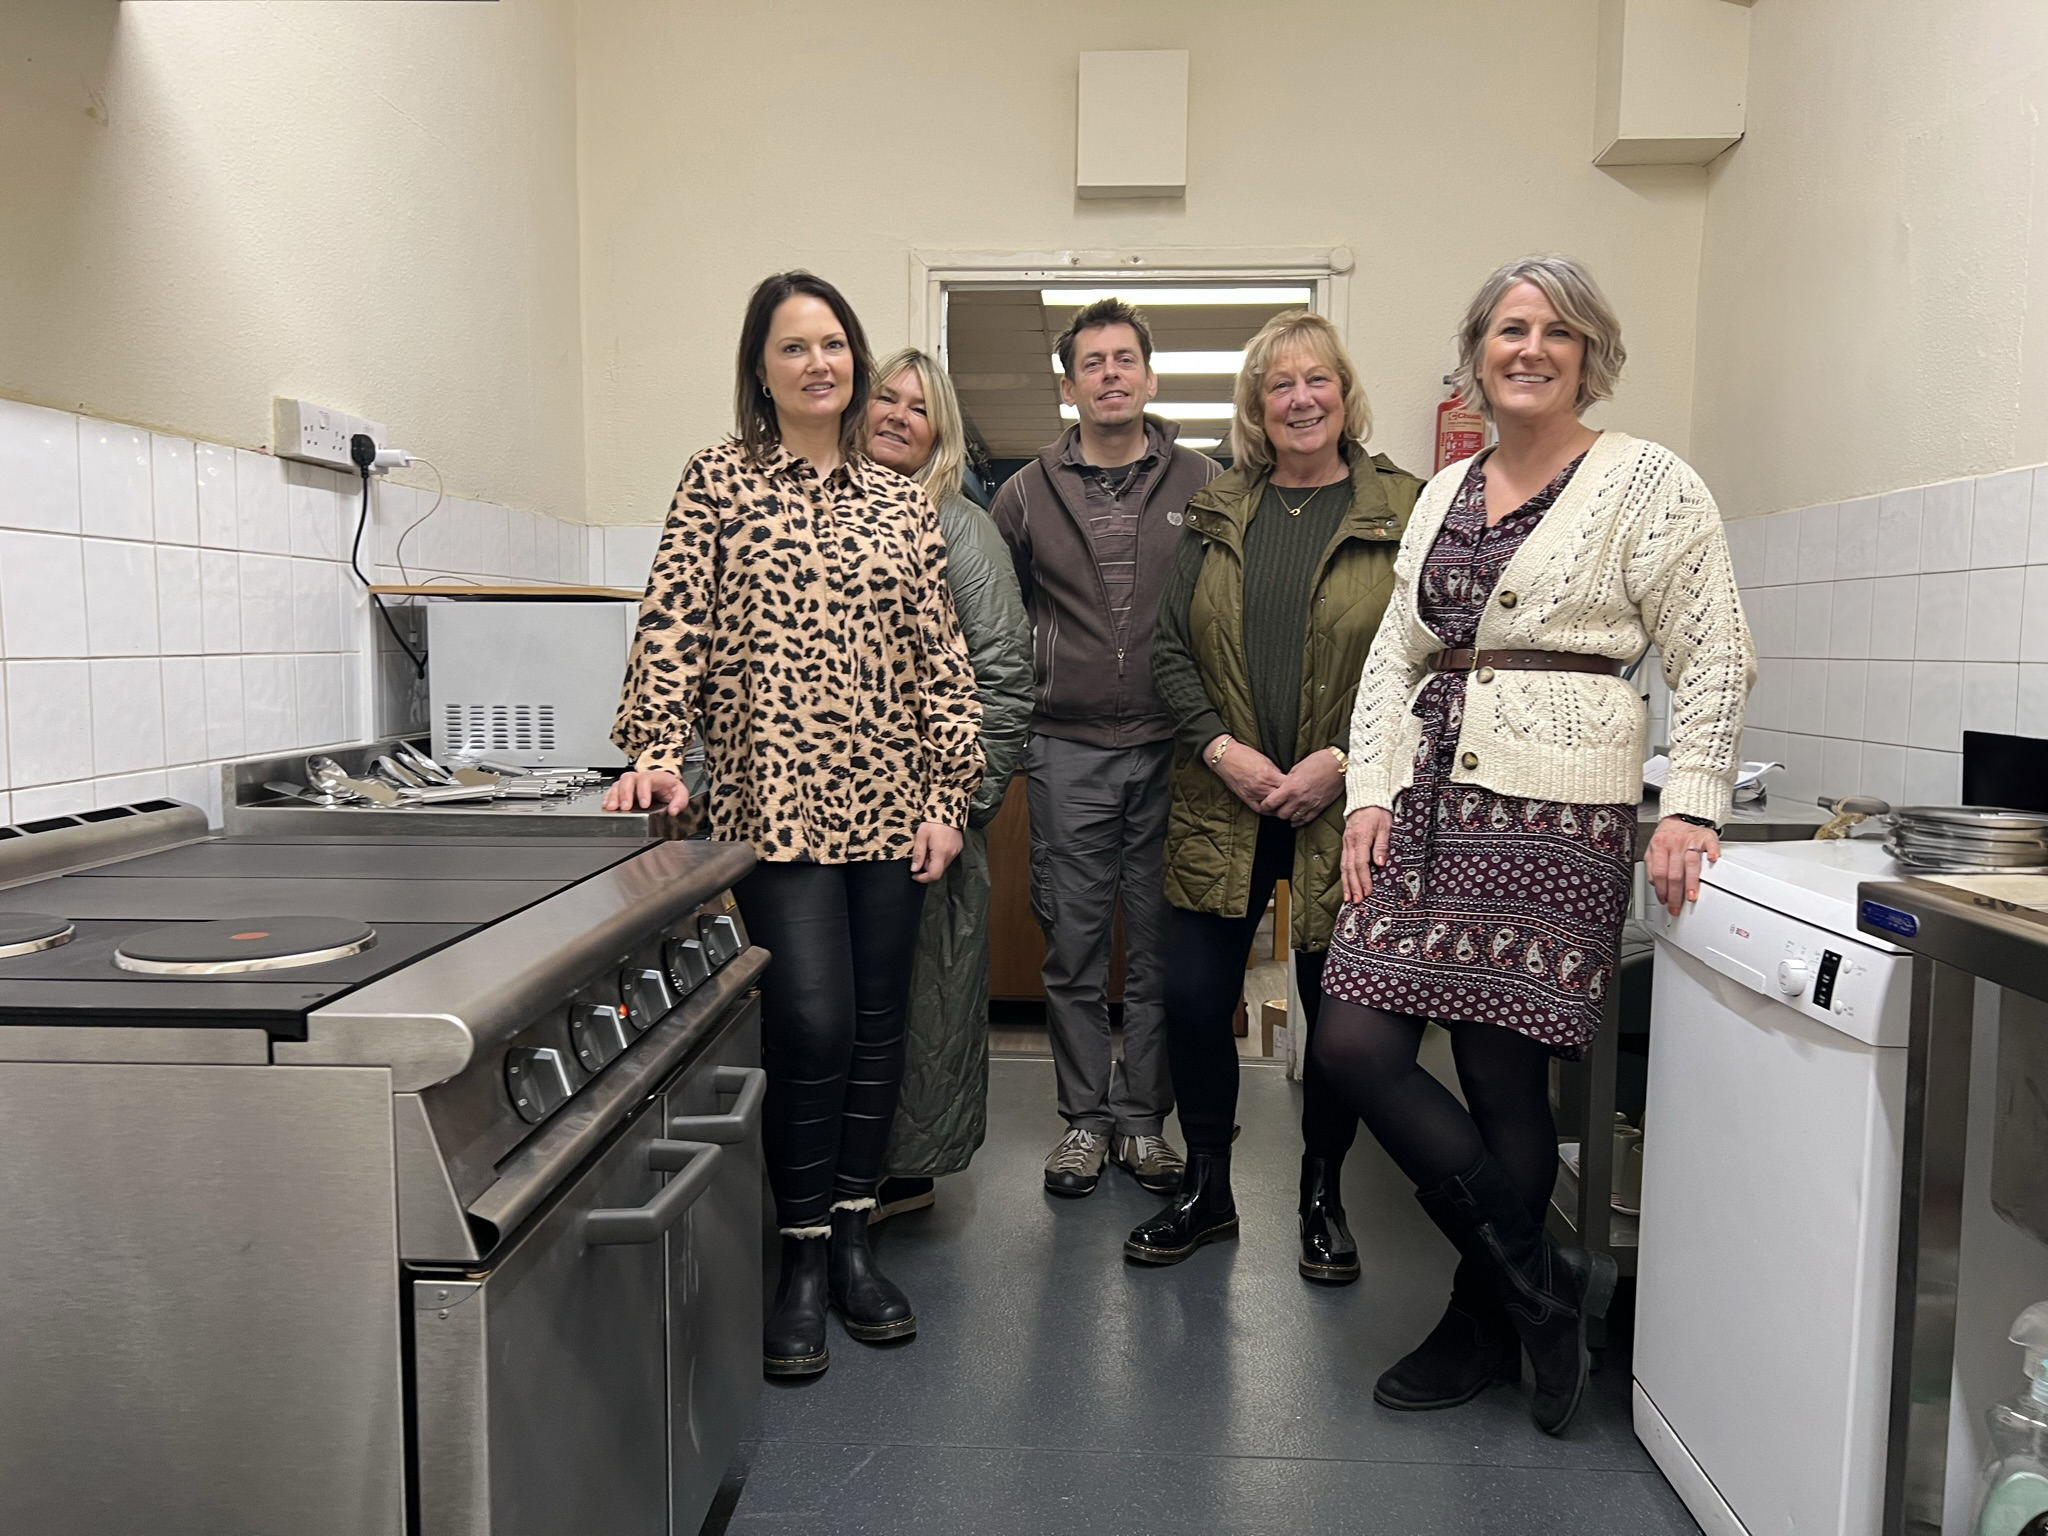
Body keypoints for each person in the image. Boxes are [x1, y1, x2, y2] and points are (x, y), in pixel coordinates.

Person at [1313, 254, 1753, 1435]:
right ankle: (1537, 1288)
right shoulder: (1442, 490)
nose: (1530, 348)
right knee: (1351, 1040)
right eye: (1509, 328)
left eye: (1556, 332)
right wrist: (1365, 793)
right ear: (1477, 350)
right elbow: (1393, 658)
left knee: (1505, 1074)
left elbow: (1711, 650)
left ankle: (1478, 1317)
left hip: (1560, 805)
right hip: (1422, 804)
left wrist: (1694, 801)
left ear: (1587, 354)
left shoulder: (1646, 482)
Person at [606, 271, 983, 1380]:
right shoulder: (717, 481)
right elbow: (670, 617)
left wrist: (946, 797)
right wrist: (654, 749)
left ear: (854, 365)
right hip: (772, 804)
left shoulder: (898, 501)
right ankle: (800, 1252)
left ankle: (854, 1242)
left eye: (833, 345)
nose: (818, 363)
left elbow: (941, 660)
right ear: (760, 368)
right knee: (811, 1026)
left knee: (876, 1030)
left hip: (888, 802)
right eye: (793, 347)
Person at [1126, 312, 1423, 1279]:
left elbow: (1429, 663)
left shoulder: (1405, 508)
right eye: (1278, 385)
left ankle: (1322, 1195)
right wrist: (1223, 750)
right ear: (1256, 407)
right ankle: (1207, 1190)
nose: (1300, 399)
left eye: (1317, 381)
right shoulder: (1220, 514)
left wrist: (1338, 759)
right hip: (1224, 799)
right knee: (1196, 996)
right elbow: (1172, 649)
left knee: (1333, 1012)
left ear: (1344, 394)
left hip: (1347, 800)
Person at [990, 297, 1220, 1200]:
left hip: (1175, 750)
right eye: (1094, 362)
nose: (1112, 374)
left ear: (1150, 378)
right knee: (1074, 945)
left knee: (1162, 948)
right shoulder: (1023, 494)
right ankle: (1086, 1122)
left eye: (1126, 359)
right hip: (1066, 748)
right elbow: (1003, 625)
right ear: (1069, 386)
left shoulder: (1205, 485)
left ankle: (1143, 1123)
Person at [861, 348, 1033, 1222]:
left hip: (926, 820)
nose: (896, 414)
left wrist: (962, 807)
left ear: (942, 432)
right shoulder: (821, 511)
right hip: (826, 824)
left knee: (922, 1004)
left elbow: (1003, 674)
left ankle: (901, 1175)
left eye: (917, 407)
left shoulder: (960, 528)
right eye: (883, 397)